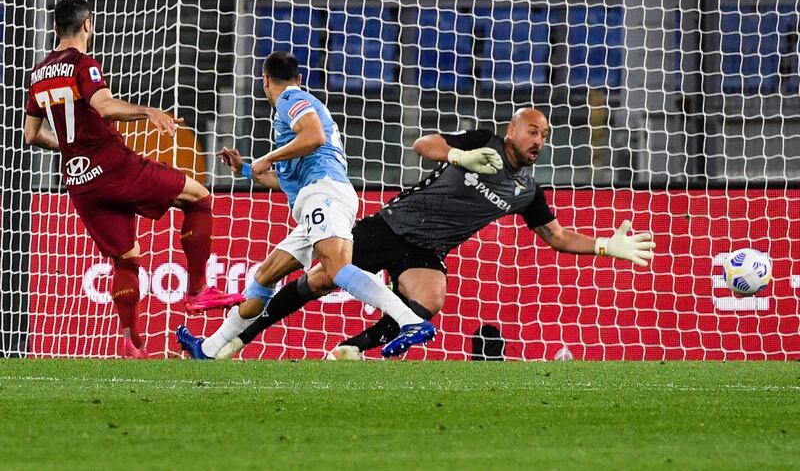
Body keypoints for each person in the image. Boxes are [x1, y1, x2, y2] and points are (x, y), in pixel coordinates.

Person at [212, 108, 656, 360]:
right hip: (392, 225)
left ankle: (351, 350)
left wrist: (604, 245)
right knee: (322, 278)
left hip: (428, 248)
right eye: (532, 131)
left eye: (545, 135)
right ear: (512, 131)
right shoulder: (484, 141)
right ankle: (241, 337)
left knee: (431, 298)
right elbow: (423, 145)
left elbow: (556, 236)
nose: (539, 139)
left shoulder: (527, 191)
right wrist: (462, 156)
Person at [175, 51, 435, 359]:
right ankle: (209, 349)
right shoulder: (293, 114)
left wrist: (266, 158)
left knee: (337, 268)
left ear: (265, 80)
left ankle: (411, 321)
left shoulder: (290, 99)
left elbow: (314, 136)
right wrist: (246, 169)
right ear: (299, 76)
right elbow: (285, 180)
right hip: (317, 197)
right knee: (265, 277)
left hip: (323, 193)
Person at [24, 0, 242, 358]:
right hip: (114, 168)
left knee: (126, 258)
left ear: (54, 28)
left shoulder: (38, 74)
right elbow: (105, 105)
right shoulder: (84, 64)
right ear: (88, 25)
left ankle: (132, 342)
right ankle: (198, 290)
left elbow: (31, 135)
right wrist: (148, 112)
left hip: (80, 184)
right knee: (199, 196)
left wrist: (70, 150)